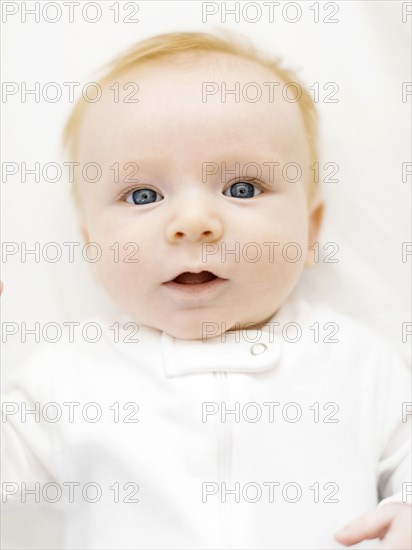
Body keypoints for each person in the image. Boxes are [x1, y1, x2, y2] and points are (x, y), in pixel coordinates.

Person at [2, 31, 411, 549]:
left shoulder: (357, 362)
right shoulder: (64, 379)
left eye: (242, 189)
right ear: (92, 246)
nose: (194, 222)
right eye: (143, 194)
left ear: (310, 233)